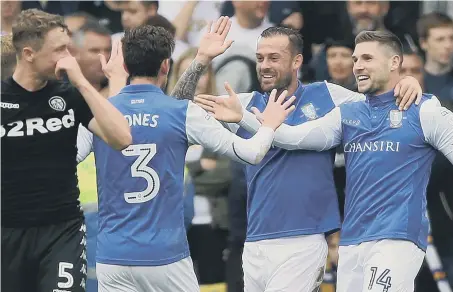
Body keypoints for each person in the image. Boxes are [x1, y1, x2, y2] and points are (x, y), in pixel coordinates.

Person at [204, 30, 453, 292]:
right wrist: (243, 116)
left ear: (394, 63)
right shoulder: (348, 113)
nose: (357, 67)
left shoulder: (425, 109)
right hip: (352, 240)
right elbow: (291, 137)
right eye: (356, 60)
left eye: (367, 58)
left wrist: (410, 81)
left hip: (397, 236)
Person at [89, 17, 294, 292]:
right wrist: (268, 125)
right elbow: (252, 153)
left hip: (111, 257)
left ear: (124, 65)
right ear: (166, 65)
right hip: (165, 257)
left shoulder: (98, 114)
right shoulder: (182, 113)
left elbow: (67, 158)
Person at [1, 9, 131, 292]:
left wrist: (82, 83)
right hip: (7, 233)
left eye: (69, 49)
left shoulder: (68, 95)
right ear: (28, 54)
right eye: (59, 50)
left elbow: (122, 138)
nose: (68, 58)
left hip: (62, 231)